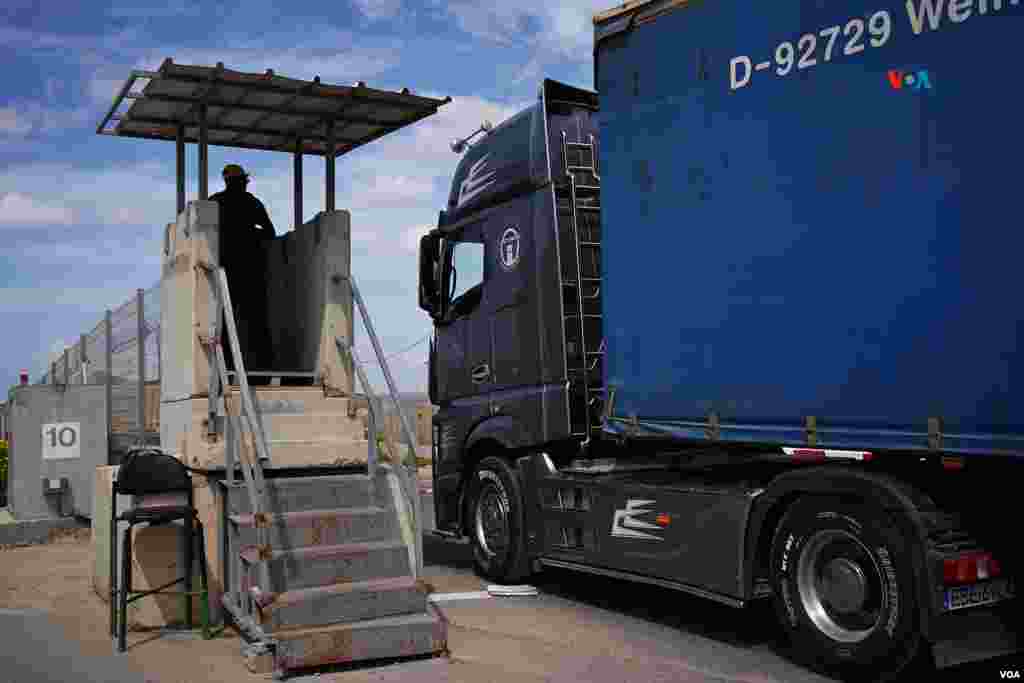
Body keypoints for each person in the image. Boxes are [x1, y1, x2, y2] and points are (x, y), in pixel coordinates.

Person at [209, 164, 276, 385]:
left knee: (224, 321)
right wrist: (250, 233)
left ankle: (224, 373)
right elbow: (270, 233)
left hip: (226, 270)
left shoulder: (216, 201)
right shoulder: (252, 202)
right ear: (243, 181)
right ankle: (262, 374)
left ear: (226, 181)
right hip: (251, 271)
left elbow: (206, 232)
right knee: (256, 322)